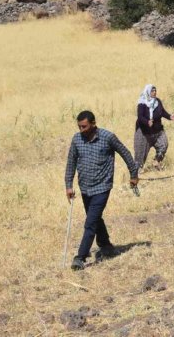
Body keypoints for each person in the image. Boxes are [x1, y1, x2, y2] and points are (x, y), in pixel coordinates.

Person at [65, 110, 139, 271]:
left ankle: (80, 257)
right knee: (95, 218)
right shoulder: (77, 139)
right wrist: (69, 185)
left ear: (93, 124)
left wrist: (133, 174)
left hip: (102, 186)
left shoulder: (108, 137)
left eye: (84, 126)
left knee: (90, 223)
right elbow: (71, 162)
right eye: (79, 127)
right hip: (84, 187)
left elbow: (125, 153)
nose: (81, 130)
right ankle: (105, 245)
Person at [135, 84, 174, 171]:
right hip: (144, 134)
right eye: (152, 91)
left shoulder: (157, 101)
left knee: (164, 144)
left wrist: (170, 117)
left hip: (157, 131)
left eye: (155, 90)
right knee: (139, 157)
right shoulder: (142, 103)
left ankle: (156, 161)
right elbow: (140, 117)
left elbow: (162, 112)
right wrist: (147, 122)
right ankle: (136, 175)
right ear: (147, 92)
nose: (154, 92)